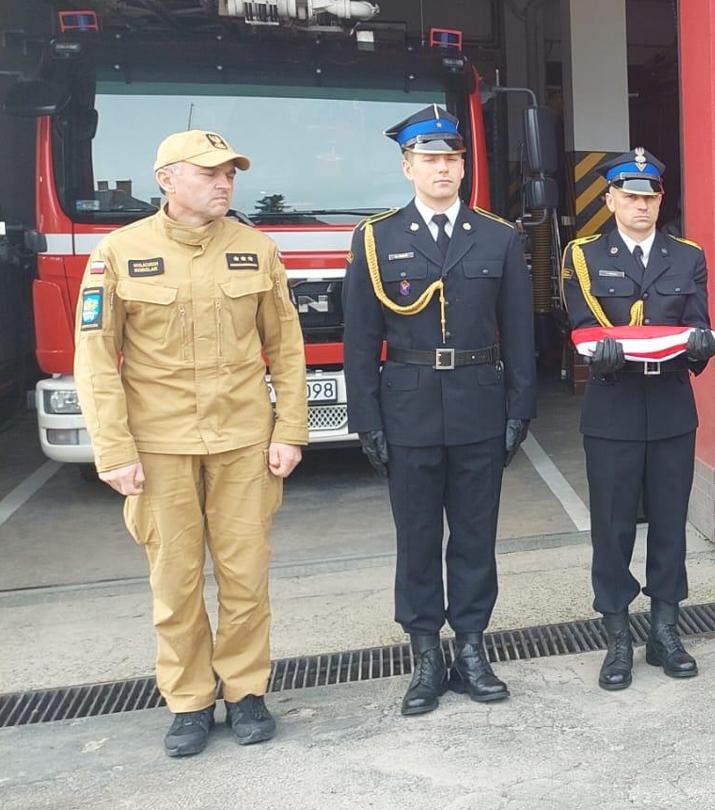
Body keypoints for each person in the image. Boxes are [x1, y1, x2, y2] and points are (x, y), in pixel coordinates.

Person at [73, 130, 305, 757]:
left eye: (230, 173)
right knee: (174, 581)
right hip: (159, 447)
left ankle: (247, 692)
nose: (224, 183)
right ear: (167, 179)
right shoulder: (118, 254)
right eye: (208, 173)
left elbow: (285, 349)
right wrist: (114, 450)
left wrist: (290, 432)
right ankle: (189, 701)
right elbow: (95, 360)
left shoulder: (256, 249)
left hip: (242, 443)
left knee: (245, 574)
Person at [343, 105, 536, 715]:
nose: (443, 169)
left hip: (480, 401)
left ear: (463, 166)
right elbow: (358, 338)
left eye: (452, 159)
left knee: (476, 537)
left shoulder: (499, 236)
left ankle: (473, 648)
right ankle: (425, 654)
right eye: (430, 159)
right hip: (409, 408)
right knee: (418, 538)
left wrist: (520, 408)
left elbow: (521, 333)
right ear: (407, 167)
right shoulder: (376, 239)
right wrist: (366, 419)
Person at [563, 148, 715, 688]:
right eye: (630, 196)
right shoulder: (582, 254)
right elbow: (582, 324)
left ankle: (665, 630)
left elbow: (696, 324)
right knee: (613, 527)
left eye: (649, 197)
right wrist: (598, 354)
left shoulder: (686, 255)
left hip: (672, 406)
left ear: (660, 200)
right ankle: (617, 636)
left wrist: (700, 347)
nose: (641, 205)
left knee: (671, 525)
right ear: (609, 199)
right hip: (613, 408)